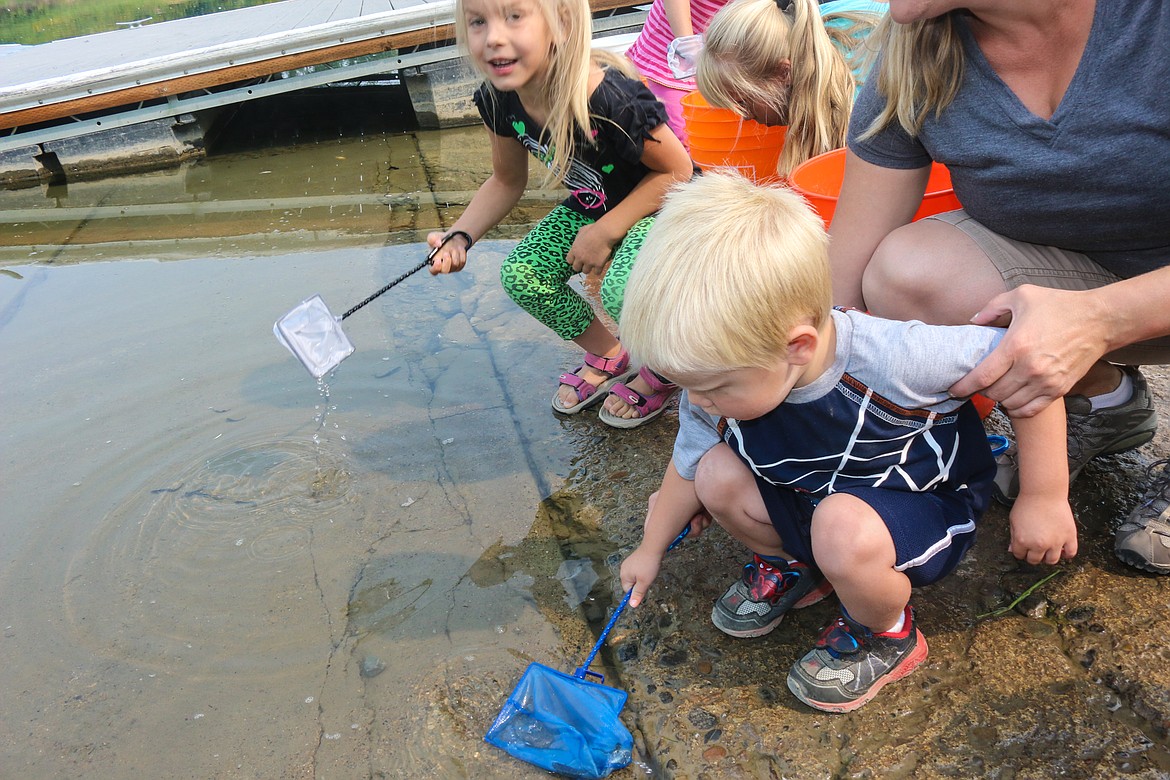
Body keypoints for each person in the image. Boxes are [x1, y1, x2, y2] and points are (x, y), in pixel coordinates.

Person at [617, 171, 1076, 713]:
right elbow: (688, 464)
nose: (698, 402)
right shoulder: (720, 383)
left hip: (917, 503)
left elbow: (1028, 364)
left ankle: (885, 629)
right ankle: (797, 567)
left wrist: (1043, 495)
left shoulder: (898, 356)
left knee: (841, 528)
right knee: (716, 473)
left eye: (714, 387)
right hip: (818, 496)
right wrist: (650, 547)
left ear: (797, 347)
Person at [826, 0, 1170, 573]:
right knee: (906, 275)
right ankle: (1105, 399)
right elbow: (841, 284)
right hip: (1088, 283)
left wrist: (1101, 318)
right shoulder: (918, 54)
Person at [428, 0, 694, 425]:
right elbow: (505, 181)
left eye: (514, 16)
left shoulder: (607, 97)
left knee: (621, 291)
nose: (494, 36)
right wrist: (459, 236)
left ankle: (664, 370)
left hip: (662, 207)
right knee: (523, 274)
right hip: (594, 203)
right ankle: (611, 354)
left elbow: (678, 172)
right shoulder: (498, 101)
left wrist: (605, 232)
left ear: (562, 23)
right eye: (478, 21)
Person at [691, 0, 884, 177]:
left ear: (784, 73)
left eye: (743, 101)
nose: (746, 116)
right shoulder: (800, 26)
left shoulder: (861, 109)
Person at [623, 0, 730, 149]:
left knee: (721, 137)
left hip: (722, 58)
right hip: (669, 58)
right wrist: (689, 52)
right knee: (682, 138)